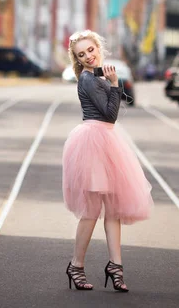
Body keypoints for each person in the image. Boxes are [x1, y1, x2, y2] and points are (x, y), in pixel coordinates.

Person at [63, 30, 153, 292]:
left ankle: (116, 266)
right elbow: (111, 115)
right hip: (92, 143)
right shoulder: (88, 80)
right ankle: (76, 265)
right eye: (82, 55)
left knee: (113, 210)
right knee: (91, 211)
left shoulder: (98, 74)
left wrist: (112, 81)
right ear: (77, 60)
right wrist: (115, 84)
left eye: (90, 50)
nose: (88, 56)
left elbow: (116, 106)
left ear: (98, 47)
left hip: (108, 143)